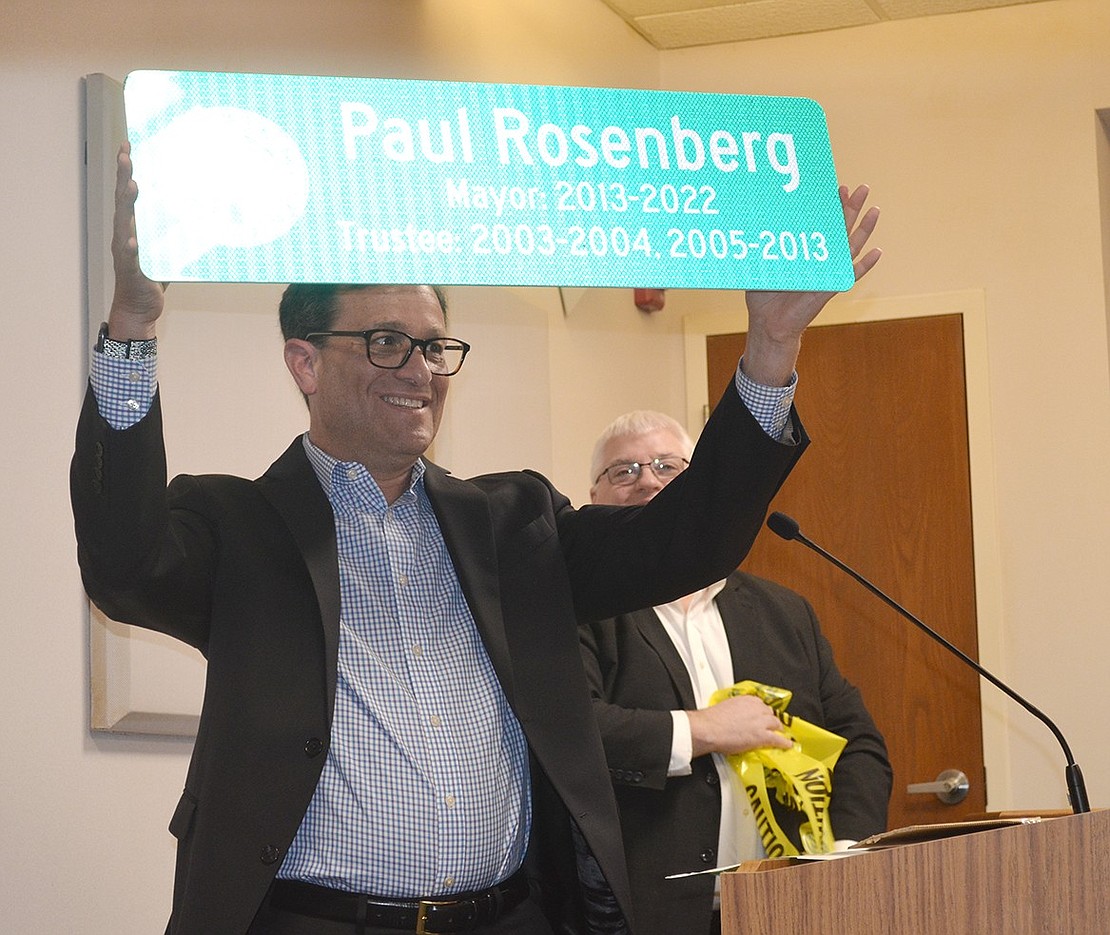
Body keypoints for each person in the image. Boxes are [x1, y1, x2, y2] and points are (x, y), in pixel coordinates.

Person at [70, 142, 881, 935]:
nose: (420, 371)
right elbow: (121, 563)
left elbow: (688, 543)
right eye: (386, 342)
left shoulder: (514, 524)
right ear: (305, 363)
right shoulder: (237, 528)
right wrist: (134, 323)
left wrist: (772, 351)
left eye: (436, 347)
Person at [578, 410, 893, 935]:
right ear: (593, 500)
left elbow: (858, 740)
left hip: (788, 906)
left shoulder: (784, 612)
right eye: (624, 471)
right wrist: (703, 730)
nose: (649, 480)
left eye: (666, 466)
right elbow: (575, 735)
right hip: (642, 916)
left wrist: (844, 851)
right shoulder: (578, 611)